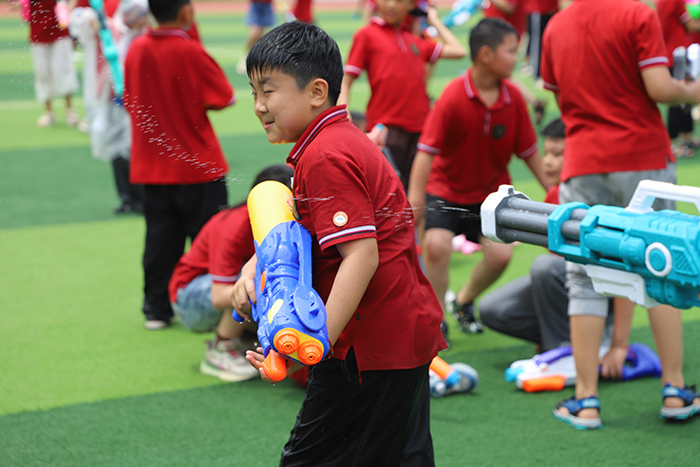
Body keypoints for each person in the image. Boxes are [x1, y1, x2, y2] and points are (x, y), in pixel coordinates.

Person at [233, 22, 446, 466]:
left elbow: (362, 255)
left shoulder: (325, 154)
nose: (258, 106)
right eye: (254, 93)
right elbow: (302, 230)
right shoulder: (335, 141)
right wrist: (255, 266)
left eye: (268, 91)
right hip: (394, 335)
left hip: (369, 347)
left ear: (316, 92)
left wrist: (317, 342)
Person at [541, 0, 700, 429]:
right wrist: (692, 90)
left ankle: (586, 400)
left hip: (584, 158)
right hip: (643, 155)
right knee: (662, 268)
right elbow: (659, 87)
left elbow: (556, 91)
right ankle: (675, 389)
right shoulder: (637, 14)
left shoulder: (557, 25)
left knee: (584, 277)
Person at [408, 18, 551, 335]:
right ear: (486, 55)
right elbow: (426, 151)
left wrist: (554, 191)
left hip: (490, 197)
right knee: (436, 245)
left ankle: (462, 301)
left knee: (501, 255)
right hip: (445, 192)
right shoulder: (453, 96)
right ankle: (435, 318)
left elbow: (529, 153)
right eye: (511, 51)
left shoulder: (513, 99)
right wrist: (415, 197)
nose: (517, 58)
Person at [124, 0, 235, 330]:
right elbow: (224, 97)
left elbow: (129, 97)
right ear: (186, 11)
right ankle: (210, 309)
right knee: (211, 241)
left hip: (152, 166)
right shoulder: (191, 51)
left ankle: (156, 308)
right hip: (198, 166)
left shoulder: (136, 48)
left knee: (159, 240)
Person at [169, 165, 294, 382]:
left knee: (267, 276)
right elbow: (219, 296)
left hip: (218, 290)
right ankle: (221, 347)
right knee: (255, 279)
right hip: (190, 300)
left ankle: (245, 337)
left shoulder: (282, 223)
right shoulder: (235, 225)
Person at [338, 0, 466, 191]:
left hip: (421, 132)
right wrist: (344, 115)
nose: (391, 5)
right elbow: (346, 80)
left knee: (418, 197)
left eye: (399, 1)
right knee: (387, 196)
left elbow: (459, 51)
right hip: (386, 132)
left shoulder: (415, 41)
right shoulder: (366, 35)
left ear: (409, 5)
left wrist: (434, 20)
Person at [478, 118, 570, 351]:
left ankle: (565, 349)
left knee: (544, 267)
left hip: (594, 292)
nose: (547, 162)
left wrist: (618, 342)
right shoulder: (554, 195)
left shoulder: (592, 192)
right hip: (562, 288)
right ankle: (562, 337)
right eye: (546, 153)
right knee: (492, 308)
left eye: (557, 154)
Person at [22, 0, 80, 127]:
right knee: (42, 73)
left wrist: (67, 12)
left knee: (63, 70)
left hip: (59, 29)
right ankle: (49, 113)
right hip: (37, 31)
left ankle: (70, 110)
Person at [657, 0, 700, 158]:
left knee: (682, 97)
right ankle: (674, 145)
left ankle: (685, 137)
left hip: (674, 52)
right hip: (676, 53)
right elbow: (692, 25)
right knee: (679, 99)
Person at [235, 0, 275, 75]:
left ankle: (255, 58)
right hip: (257, 4)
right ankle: (245, 57)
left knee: (260, 33)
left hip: (267, 4)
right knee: (255, 32)